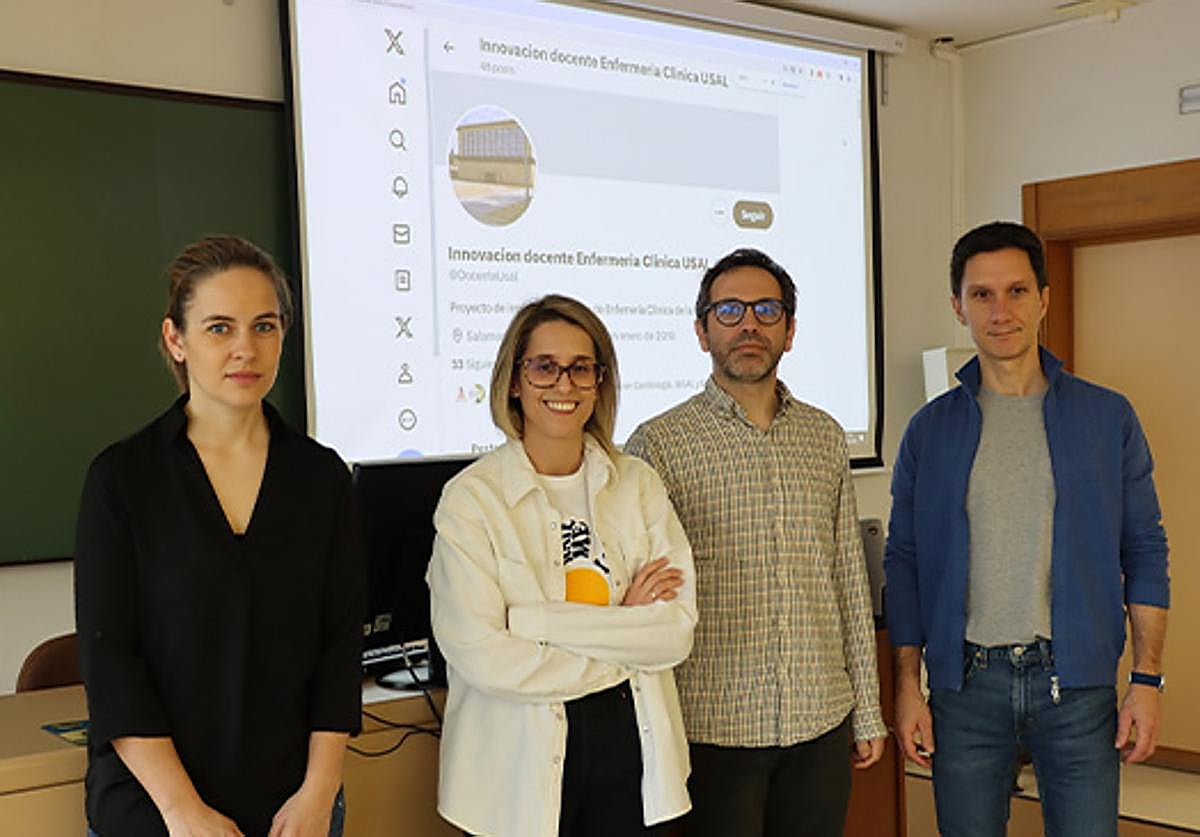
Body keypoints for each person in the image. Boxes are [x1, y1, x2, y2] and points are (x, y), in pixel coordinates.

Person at [884, 221, 1170, 837]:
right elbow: (903, 561)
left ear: (1044, 297)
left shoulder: (1105, 417)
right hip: (966, 692)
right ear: (957, 306)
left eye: (1016, 291)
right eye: (981, 294)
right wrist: (908, 687)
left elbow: (1145, 549)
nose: (1000, 310)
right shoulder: (929, 431)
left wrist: (1147, 679)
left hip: (1078, 691)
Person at [74, 235, 364, 837]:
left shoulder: (321, 478)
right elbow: (111, 664)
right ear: (176, 340)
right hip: (156, 813)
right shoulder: (123, 479)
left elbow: (339, 648)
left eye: (264, 326)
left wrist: (320, 792)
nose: (245, 349)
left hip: (295, 812)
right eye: (218, 328)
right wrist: (185, 816)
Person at [625, 248, 887, 837]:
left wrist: (866, 711)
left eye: (767, 310)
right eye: (730, 310)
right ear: (702, 331)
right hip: (710, 728)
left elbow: (847, 576)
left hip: (819, 722)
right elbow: (642, 599)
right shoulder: (657, 444)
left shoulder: (824, 436)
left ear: (790, 331)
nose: (749, 324)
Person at [427, 294, 696, 837]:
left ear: (600, 383)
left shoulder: (637, 485)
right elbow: (482, 656)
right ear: (514, 382)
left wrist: (535, 623)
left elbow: (672, 635)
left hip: (637, 764)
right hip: (515, 781)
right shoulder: (472, 500)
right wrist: (624, 633)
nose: (564, 385)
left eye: (581, 369)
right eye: (544, 367)